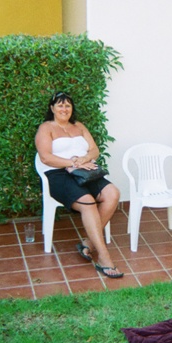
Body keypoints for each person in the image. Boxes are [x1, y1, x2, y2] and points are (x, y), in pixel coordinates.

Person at [35, 91, 123, 278]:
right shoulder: (46, 128)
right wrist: (73, 163)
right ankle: (104, 257)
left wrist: (84, 159)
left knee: (113, 193)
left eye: (67, 105)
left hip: (85, 172)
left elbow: (94, 150)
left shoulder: (79, 126)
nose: (64, 109)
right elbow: (46, 157)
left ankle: (88, 243)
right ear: (52, 108)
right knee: (87, 202)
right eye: (60, 105)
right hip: (59, 174)